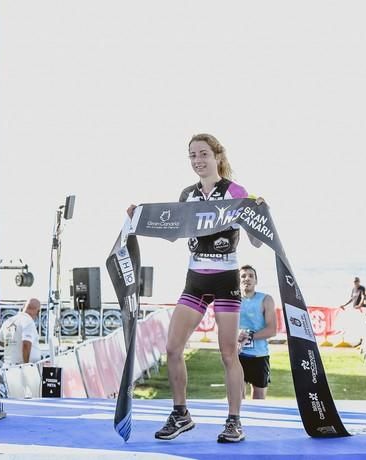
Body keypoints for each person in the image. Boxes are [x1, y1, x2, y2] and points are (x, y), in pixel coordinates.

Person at [129, 134, 261, 443]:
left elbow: (256, 240)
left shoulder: (235, 191)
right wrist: (139, 219)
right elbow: (172, 232)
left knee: (229, 353)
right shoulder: (187, 194)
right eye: (192, 156)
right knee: (173, 348)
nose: (198, 160)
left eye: (203, 154)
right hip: (195, 280)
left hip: (226, 280)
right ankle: (181, 414)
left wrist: (259, 211)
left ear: (217, 156)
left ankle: (234, 421)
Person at [236, 265, 276, 400]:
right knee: (237, 397)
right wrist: (236, 335)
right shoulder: (232, 300)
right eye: (243, 276)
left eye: (251, 276)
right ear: (238, 280)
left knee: (259, 399)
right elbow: (221, 327)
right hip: (237, 355)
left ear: (256, 281)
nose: (247, 278)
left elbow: (272, 330)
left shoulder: (266, 299)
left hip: (259, 356)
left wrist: (250, 336)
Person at [0, 298, 41, 366]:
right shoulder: (28, 321)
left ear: (23, 307)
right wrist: (26, 366)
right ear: (38, 311)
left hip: (8, 366)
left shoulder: (8, 321)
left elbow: (0, 341)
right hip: (20, 369)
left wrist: (12, 344)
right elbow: (26, 345)